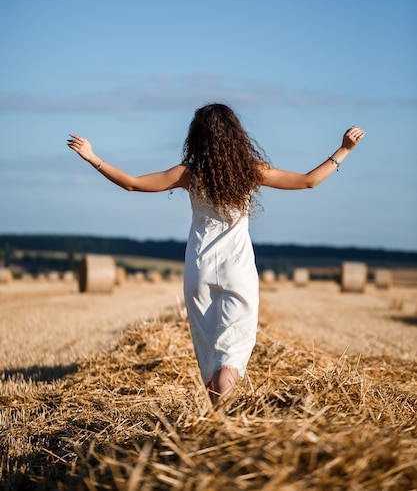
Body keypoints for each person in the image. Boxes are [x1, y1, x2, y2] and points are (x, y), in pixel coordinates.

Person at [67, 103, 365, 406]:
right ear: (236, 135)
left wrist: (93, 157)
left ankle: (217, 419)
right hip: (238, 270)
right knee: (231, 356)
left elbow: (132, 184)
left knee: (210, 353)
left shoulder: (188, 173)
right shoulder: (249, 171)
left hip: (200, 270)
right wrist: (343, 150)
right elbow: (308, 180)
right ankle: (224, 420)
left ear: (197, 137)